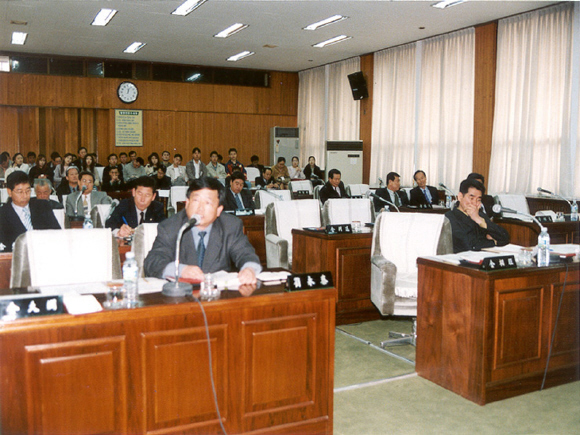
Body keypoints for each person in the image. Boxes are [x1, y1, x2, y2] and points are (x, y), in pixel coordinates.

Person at [144, 177, 261, 284]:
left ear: (219, 210)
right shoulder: (171, 226)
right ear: (187, 203)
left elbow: (245, 253)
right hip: (182, 297)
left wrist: (249, 269)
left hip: (217, 296)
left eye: (208, 203)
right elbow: (153, 261)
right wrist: (180, 269)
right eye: (196, 201)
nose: (200, 209)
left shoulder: (231, 225)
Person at [0, 171, 61, 252]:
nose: (25, 195)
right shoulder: (3, 213)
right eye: (20, 192)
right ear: (9, 192)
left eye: (28, 191)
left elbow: (57, 233)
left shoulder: (42, 206)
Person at [445, 178, 510, 253]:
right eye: (471, 198)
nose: (475, 203)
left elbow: (505, 237)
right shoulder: (449, 218)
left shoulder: (480, 216)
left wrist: (479, 220)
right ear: (460, 197)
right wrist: (494, 242)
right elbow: (469, 245)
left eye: (478, 200)